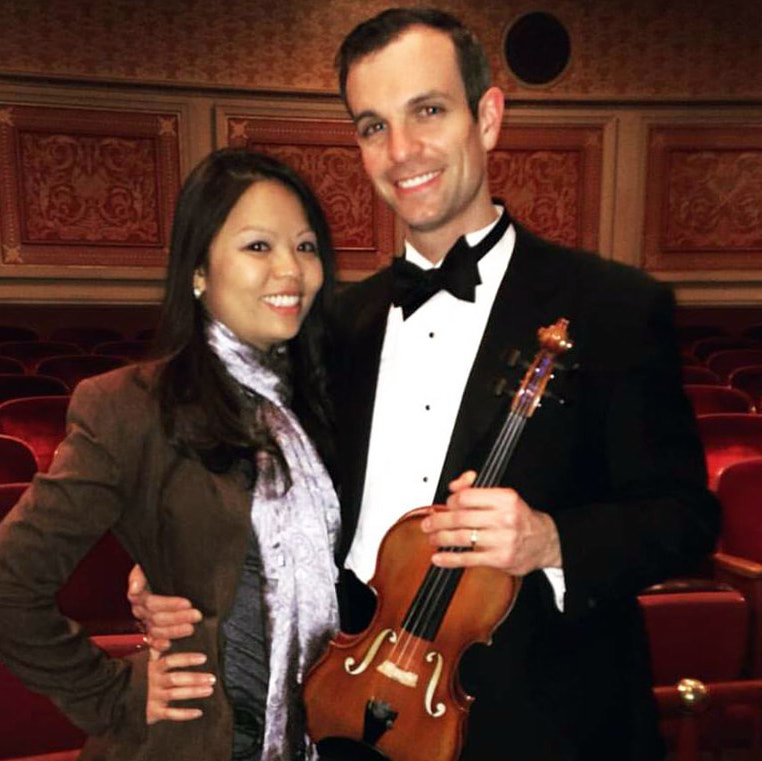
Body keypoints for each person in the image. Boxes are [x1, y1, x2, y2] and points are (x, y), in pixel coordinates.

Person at [131, 9, 720, 761]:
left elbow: (686, 517)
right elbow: (263, 483)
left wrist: (550, 539)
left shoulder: (614, 307)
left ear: (488, 116)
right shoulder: (333, 321)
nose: (401, 150)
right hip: (347, 708)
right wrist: (170, 558)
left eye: (429, 111)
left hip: (543, 720)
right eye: (373, 125)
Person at [0, 147, 341, 761]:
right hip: (201, 742)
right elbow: (8, 582)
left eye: (307, 246)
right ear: (198, 270)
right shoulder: (131, 407)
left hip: (335, 733)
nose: (290, 270)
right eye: (258, 246)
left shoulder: (329, 405)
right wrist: (115, 695)